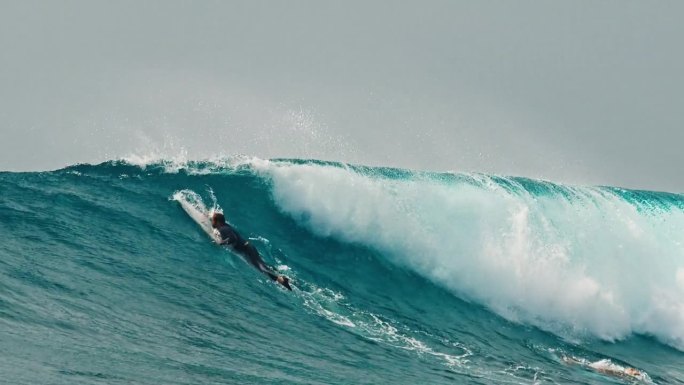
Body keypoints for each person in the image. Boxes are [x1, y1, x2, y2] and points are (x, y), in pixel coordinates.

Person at [210, 212, 292, 291]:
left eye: (213, 220)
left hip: (248, 250)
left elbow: (233, 238)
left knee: (261, 268)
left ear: (218, 222)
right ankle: (285, 277)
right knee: (263, 265)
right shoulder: (224, 226)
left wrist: (220, 243)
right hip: (249, 247)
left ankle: (281, 280)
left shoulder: (223, 229)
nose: (211, 221)